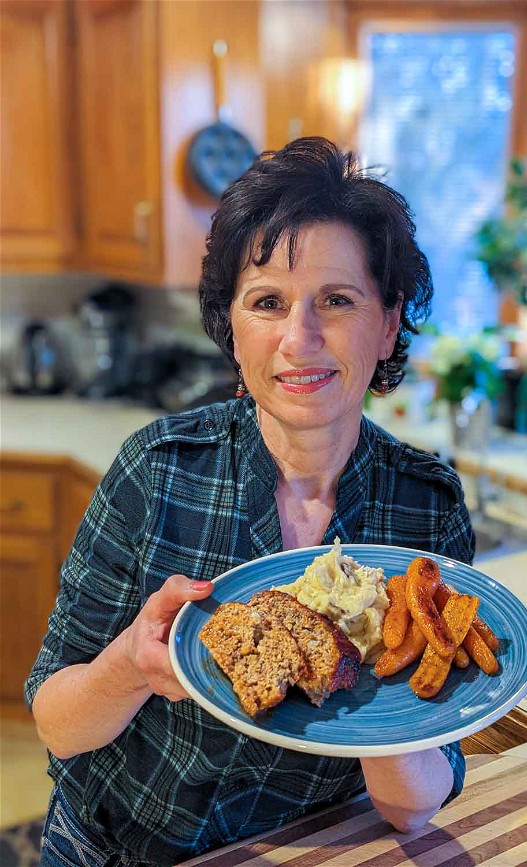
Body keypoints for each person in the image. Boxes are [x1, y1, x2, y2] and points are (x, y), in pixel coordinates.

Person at [27, 137, 475, 866]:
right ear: (232, 329)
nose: (300, 339)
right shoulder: (158, 471)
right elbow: (56, 721)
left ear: (388, 322)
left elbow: (412, 807)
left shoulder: (424, 510)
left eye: (337, 299)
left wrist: (378, 690)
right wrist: (132, 665)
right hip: (111, 848)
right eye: (268, 302)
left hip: (304, 851)